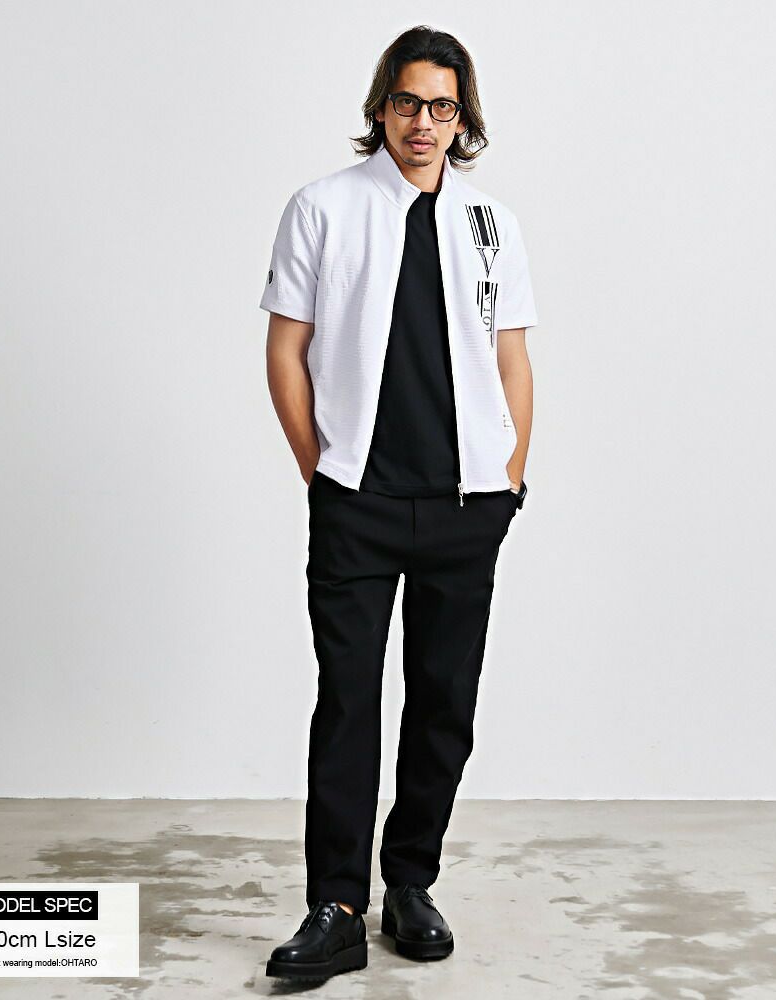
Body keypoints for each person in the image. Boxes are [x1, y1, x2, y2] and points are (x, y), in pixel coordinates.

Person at [259, 24, 538, 982]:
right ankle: (337, 906)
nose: (424, 122)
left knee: (444, 706)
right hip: (360, 501)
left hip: (466, 505)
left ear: (463, 119)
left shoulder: (491, 221)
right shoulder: (323, 208)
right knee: (348, 705)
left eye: (443, 106)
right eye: (409, 102)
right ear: (382, 106)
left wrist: (509, 477)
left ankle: (410, 882)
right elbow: (285, 351)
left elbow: (512, 355)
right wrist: (323, 471)